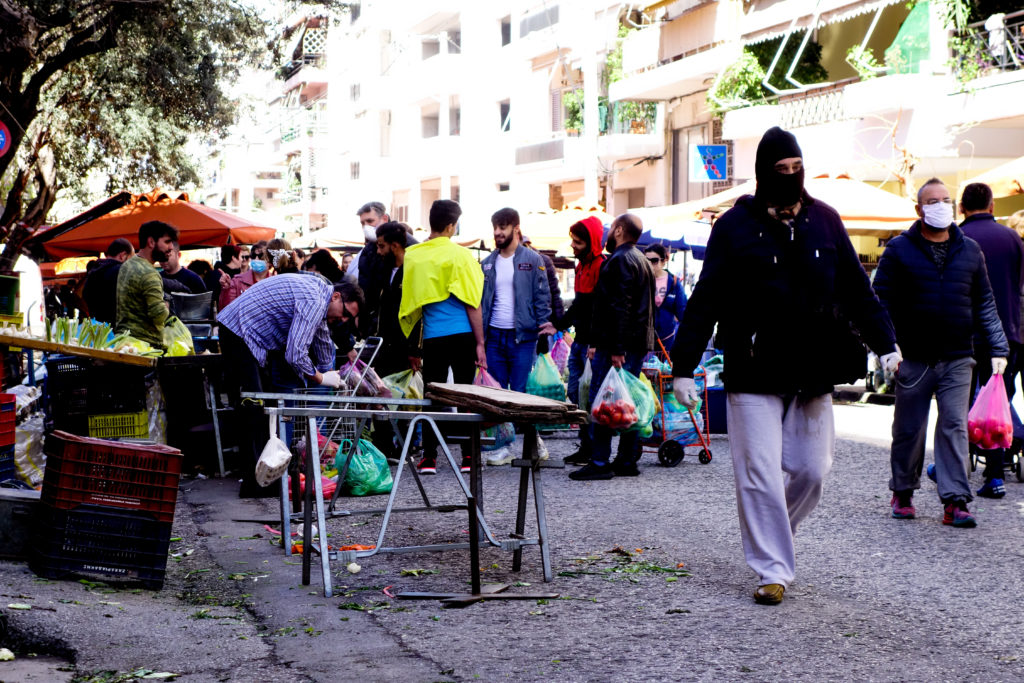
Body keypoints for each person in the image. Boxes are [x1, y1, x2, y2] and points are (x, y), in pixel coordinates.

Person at [670, 126, 899, 605]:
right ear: (763, 173)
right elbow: (706, 297)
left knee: (812, 469)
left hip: (813, 366)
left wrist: (887, 345)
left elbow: (858, 291)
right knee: (758, 471)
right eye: (782, 171)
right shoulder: (733, 228)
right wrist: (683, 367)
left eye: (797, 169)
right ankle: (771, 568)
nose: (791, 178)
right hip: (752, 367)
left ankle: (774, 534)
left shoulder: (826, 221)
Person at [874, 177, 1008, 529]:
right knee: (908, 429)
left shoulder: (970, 250)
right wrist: (886, 347)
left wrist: (998, 348)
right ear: (919, 209)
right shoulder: (899, 250)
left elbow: (984, 303)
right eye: (932, 201)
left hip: (958, 356)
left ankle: (955, 500)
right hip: (913, 358)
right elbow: (879, 301)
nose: (940, 206)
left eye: (946, 199)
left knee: (953, 427)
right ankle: (903, 491)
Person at [218, 275, 363, 497]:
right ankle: (255, 484)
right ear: (336, 296)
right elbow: (295, 354)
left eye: (348, 318)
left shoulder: (322, 302)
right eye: (344, 313)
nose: (342, 320)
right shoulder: (315, 301)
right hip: (239, 331)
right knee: (254, 408)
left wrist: (334, 379)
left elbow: (324, 347)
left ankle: (269, 479)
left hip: (249, 336)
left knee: (264, 410)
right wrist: (321, 379)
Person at [399, 199, 485, 475]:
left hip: (433, 338)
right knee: (466, 395)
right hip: (462, 335)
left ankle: (429, 457)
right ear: (451, 225)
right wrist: (480, 343)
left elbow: (412, 300)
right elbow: (473, 303)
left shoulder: (415, 255)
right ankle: (469, 456)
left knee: (432, 395)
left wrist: (414, 345)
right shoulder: (462, 256)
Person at [569, 213, 655, 482]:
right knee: (625, 401)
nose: (607, 233)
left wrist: (615, 347)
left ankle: (600, 461)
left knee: (605, 401)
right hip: (635, 343)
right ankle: (626, 460)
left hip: (618, 345)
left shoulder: (619, 260)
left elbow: (619, 307)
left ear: (619, 230)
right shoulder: (641, 259)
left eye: (610, 229)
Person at [958, 182, 1024, 498]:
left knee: (958, 403)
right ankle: (995, 476)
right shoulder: (1013, 238)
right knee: (996, 404)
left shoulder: (957, 237)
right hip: (1006, 334)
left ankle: (951, 466)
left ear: (961, 207)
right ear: (992, 205)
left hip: (964, 335)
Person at [553, 216, 606, 465]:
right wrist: (557, 325)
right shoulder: (581, 266)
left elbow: (600, 309)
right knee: (575, 394)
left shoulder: (601, 266)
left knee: (589, 397)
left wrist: (595, 343)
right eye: (573, 241)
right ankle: (586, 446)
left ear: (592, 243)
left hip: (592, 346)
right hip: (579, 342)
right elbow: (579, 306)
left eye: (579, 242)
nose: (573, 246)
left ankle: (595, 450)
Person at [116, 221, 177, 348]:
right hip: (146, 349)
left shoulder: (127, 265)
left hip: (124, 342)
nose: (171, 247)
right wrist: (166, 306)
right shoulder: (149, 273)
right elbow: (159, 316)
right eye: (167, 242)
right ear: (151, 242)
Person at [373, 222, 420, 378]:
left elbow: (418, 312)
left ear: (394, 246)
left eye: (381, 246)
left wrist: (415, 350)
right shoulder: (383, 269)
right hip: (384, 346)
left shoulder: (413, 269)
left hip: (405, 349)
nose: (378, 251)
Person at [350, 202, 390, 335]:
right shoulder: (367, 251)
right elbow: (364, 287)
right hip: (371, 320)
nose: (366, 227)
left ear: (384, 219)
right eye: (363, 223)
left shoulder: (402, 245)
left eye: (370, 221)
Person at [521, 233, 564, 353]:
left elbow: (554, 293)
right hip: (522, 323)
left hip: (542, 321)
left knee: (542, 357)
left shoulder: (542, 261)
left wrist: (558, 323)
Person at [643, 244, 687, 351]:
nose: (650, 264)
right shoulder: (640, 281)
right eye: (646, 261)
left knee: (663, 367)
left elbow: (682, 313)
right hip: (642, 338)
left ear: (663, 261)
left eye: (654, 261)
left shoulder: (674, 283)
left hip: (666, 339)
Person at [83, 238, 135, 324]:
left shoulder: (93, 272)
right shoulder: (122, 272)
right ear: (123, 256)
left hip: (98, 329)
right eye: (131, 259)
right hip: (119, 330)